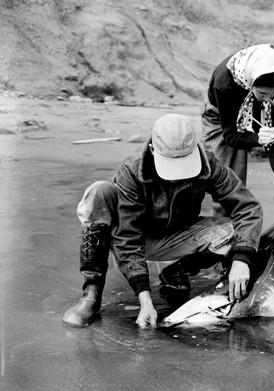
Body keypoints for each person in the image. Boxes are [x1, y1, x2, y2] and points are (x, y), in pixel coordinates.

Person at [62, 114, 263, 329]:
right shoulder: (132, 171)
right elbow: (127, 238)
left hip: (176, 236)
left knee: (233, 232)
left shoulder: (209, 164)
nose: (176, 176)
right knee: (99, 191)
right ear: (152, 151)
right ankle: (90, 295)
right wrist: (145, 301)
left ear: (195, 149)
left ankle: (176, 272)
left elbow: (248, 207)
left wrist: (242, 260)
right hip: (126, 240)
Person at [201, 43, 274, 221]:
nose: (269, 98)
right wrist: (257, 139)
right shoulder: (224, 82)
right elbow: (231, 136)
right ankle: (227, 218)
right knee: (228, 167)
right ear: (251, 81)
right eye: (263, 92)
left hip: (259, 108)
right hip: (222, 114)